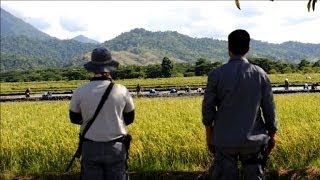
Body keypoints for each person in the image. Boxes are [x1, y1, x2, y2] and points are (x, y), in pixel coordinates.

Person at [202, 29, 278, 180]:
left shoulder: (216, 74)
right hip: (254, 141)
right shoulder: (260, 74)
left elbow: (208, 109)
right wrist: (272, 134)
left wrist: (209, 136)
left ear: (228, 49)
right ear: (248, 49)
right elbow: (269, 108)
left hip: (224, 141)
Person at [69, 47, 135, 180]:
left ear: (92, 69)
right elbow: (129, 118)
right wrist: (112, 120)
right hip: (116, 148)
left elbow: (74, 118)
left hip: (90, 148)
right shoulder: (122, 90)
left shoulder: (80, 91)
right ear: (110, 68)